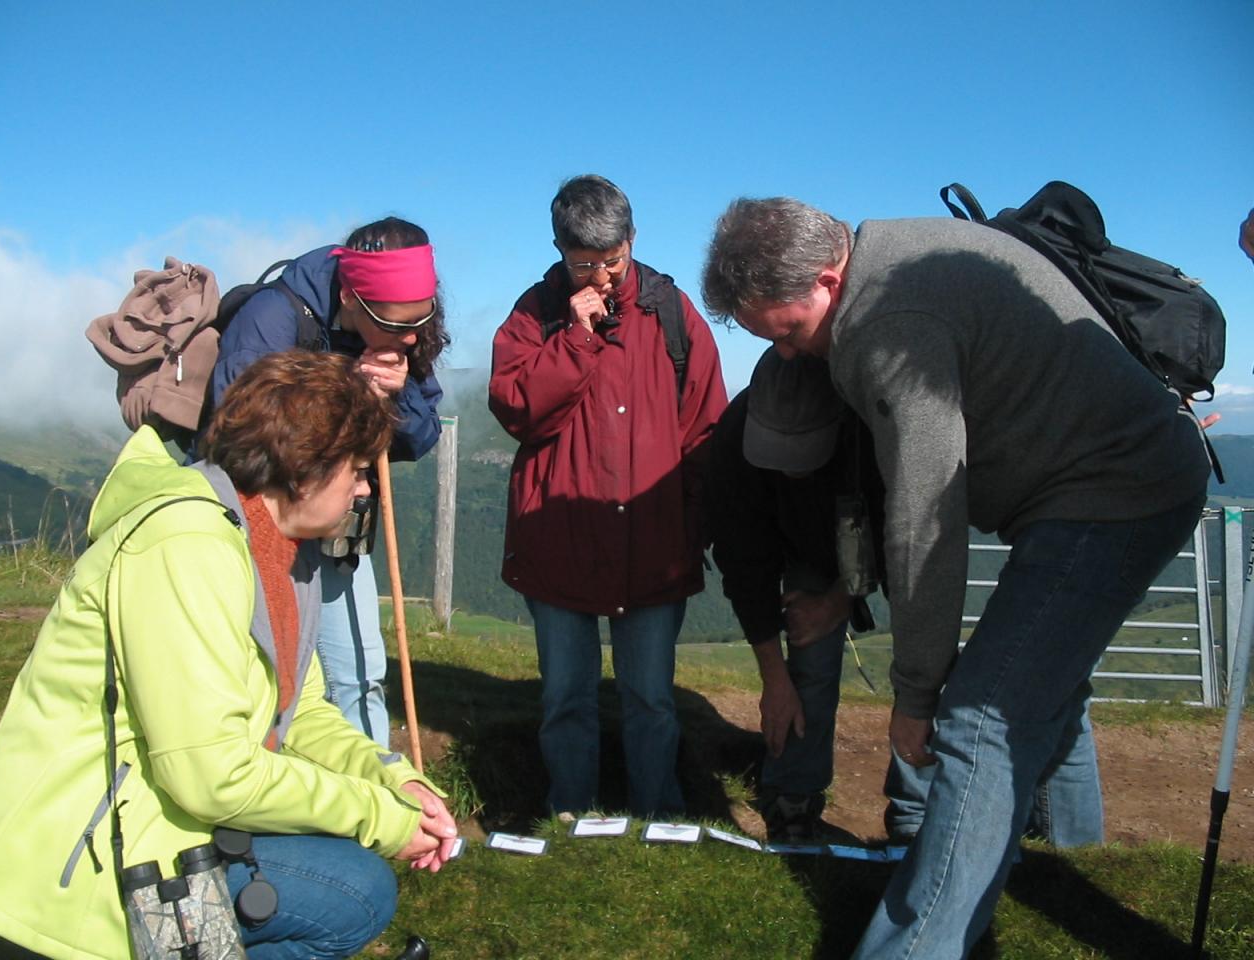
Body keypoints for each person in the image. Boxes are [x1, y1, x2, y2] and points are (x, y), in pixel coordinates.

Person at [702, 198, 1210, 958]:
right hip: (1118, 479)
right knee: (1039, 689)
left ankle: (914, 947)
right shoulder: (896, 254)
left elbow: (924, 520)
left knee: (977, 722)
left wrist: (917, 696)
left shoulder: (885, 324)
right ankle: (1073, 861)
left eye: (789, 331)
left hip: (1112, 495)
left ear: (828, 279)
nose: (787, 355)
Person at [0, 351, 458, 960]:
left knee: (357, 887)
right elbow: (210, 773)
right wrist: (378, 819)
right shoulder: (186, 543)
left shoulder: (282, 554)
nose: (366, 489)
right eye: (358, 471)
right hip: (67, 869)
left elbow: (300, 714)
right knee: (353, 892)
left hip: (156, 821)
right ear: (306, 468)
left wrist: (395, 783)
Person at [489, 175, 728, 818]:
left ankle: (658, 810)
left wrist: (695, 524)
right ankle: (571, 805)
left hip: (653, 541)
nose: (599, 276)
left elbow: (706, 427)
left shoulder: (672, 313)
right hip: (559, 539)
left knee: (650, 694)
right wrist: (576, 338)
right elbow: (516, 410)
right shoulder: (535, 313)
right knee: (566, 692)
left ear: (633, 239)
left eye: (612, 260)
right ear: (560, 249)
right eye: (584, 263)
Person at [208, 217, 449, 749]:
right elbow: (239, 439)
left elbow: (421, 438)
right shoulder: (272, 319)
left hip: (341, 530)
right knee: (269, 674)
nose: (410, 336)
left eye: (421, 320)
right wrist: (346, 392)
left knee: (359, 673)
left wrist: (401, 393)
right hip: (265, 536)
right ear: (352, 298)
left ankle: (379, 799)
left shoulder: (402, 337)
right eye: (395, 323)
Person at [707, 346, 885, 842]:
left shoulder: (872, 426)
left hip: (874, 526)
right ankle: (794, 796)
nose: (791, 466)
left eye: (803, 449)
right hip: (789, 536)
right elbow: (743, 563)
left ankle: (917, 805)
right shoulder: (733, 439)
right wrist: (773, 679)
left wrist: (839, 600)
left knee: (920, 658)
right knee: (809, 655)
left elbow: (903, 531)